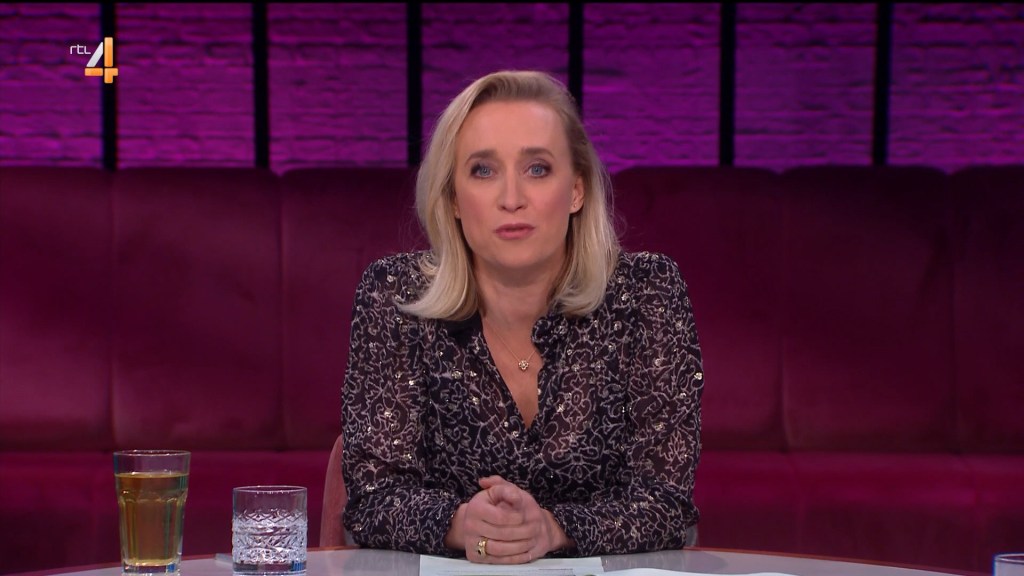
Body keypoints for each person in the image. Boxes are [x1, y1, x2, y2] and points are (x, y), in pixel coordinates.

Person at [341, 70, 704, 564]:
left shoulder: (646, 293)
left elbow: (666, 502)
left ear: (576, 190)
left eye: (537, 168)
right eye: (483, 170)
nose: (511, 198)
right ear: (454, 199)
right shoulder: (395, 294)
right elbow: (372, 500)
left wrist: (553, 529)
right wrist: (462, 525)